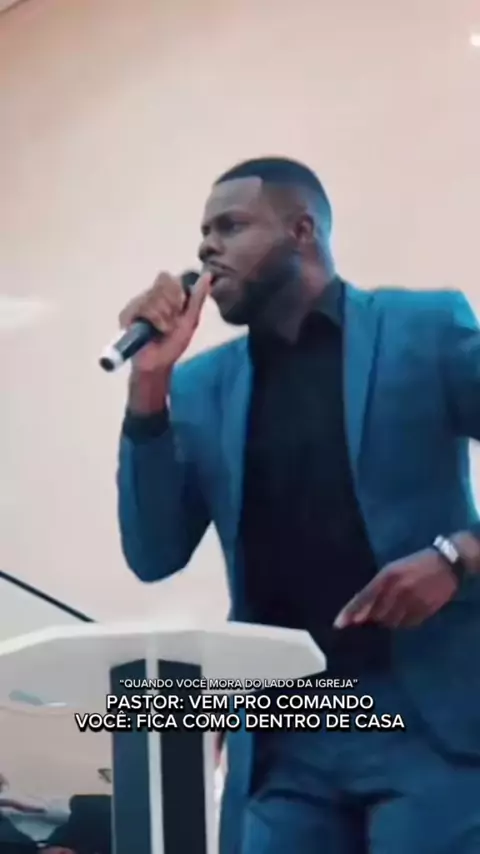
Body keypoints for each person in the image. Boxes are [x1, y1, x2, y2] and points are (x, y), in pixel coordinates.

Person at [117, 157, 480, 854]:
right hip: (285, 735)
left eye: (231, 226)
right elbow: (153, 552)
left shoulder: (424, 329)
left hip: (428, 717)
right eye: (202, 236)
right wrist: (149, 388)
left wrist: (456, 556)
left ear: (302, 231)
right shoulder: (201, 387)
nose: (208, 249)